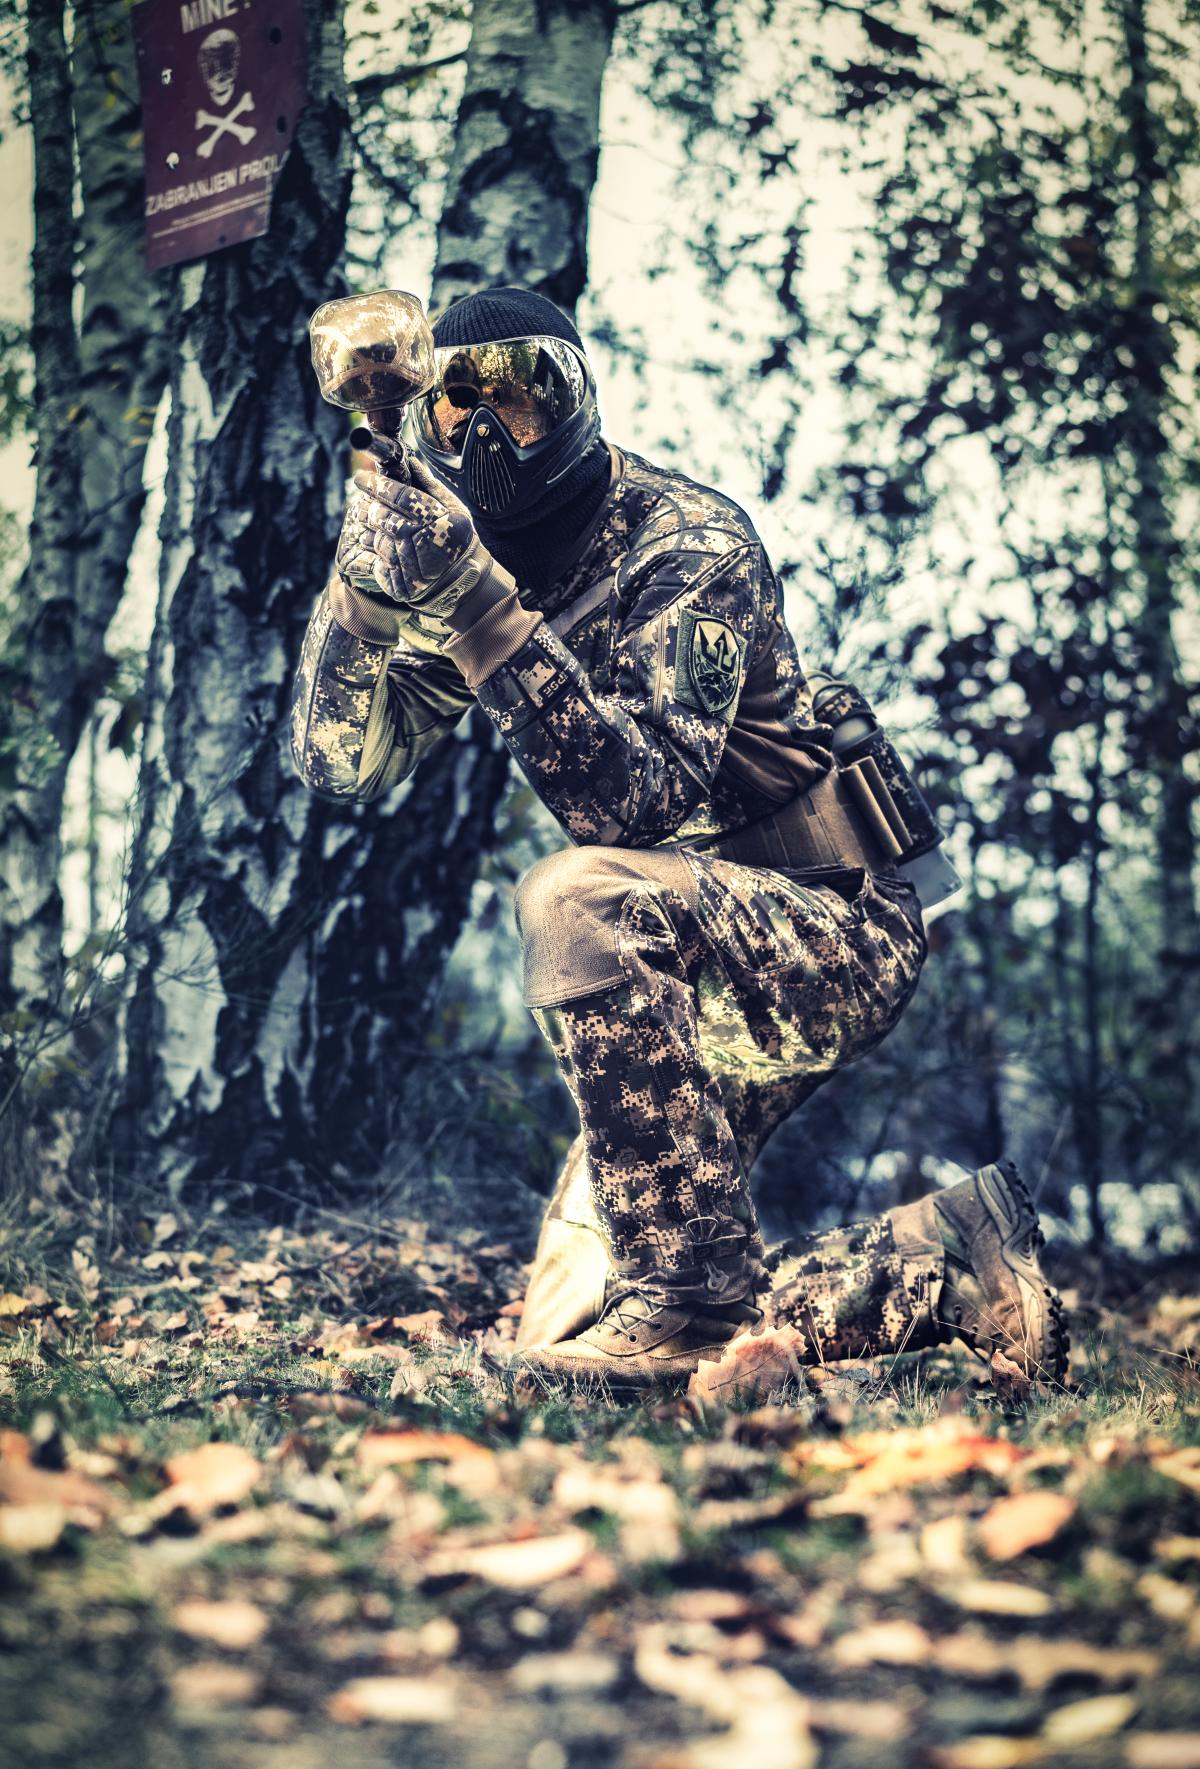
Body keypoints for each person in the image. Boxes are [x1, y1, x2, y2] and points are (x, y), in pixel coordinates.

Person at [289, 284, 1067, 1392]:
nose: (489, 432)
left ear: (577, 393)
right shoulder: (458, 553)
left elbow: (635, 809)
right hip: (676, 959)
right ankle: (945, 1262)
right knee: (571, 1338)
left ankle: (692, 1311)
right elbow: (337, 761)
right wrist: (364, 595)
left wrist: (471, 601)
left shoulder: (685, 538)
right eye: (456, 409)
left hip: (825, 922)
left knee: (574, 897)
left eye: (521, 394)